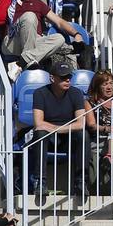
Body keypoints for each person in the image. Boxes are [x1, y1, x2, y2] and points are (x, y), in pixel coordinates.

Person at [28, 55, 88, 200]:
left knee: (83, 135)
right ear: (52, 78)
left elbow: (81, 123)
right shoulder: (40, 93)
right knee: (40, 134)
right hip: (49, 137)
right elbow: (38, 123)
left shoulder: (76, 93)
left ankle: (81, 182)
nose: (67, 80)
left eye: (69, 77)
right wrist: (58, 128)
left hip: (68, 137)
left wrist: (55, 128)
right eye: (63, 77)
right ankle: (40, 182)